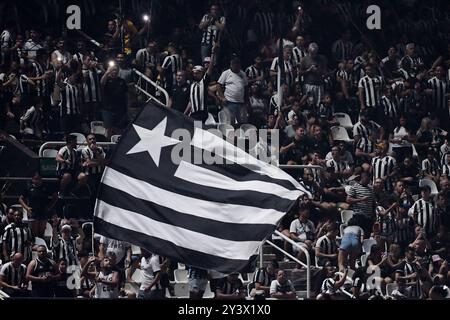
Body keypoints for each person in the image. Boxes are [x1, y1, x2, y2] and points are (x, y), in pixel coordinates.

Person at [19, 172, 54, 238]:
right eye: (36, 179)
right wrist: (27, 208)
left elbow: (55, 196)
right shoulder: (29, 188)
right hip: (33, 212)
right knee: (33, 234)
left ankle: (42, 246)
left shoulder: (45, 188)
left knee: (41, 234)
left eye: (39, 179)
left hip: (43, 211)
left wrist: (49, 206)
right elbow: (20, 199)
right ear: (32, 179)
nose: (37, 180)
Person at [217, 57, 249, 125]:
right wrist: (222, 97)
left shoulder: (243, 74)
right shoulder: (226, 73)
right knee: (230, 122)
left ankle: (240, 135)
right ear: (231, 65)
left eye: (237, 64)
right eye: (234, 64)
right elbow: (219, 85)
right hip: (229, 102)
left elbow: (246, 87)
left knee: (242, 122)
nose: (236, 65)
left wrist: (246, 100)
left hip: (241, 102)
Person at [100, 63, 128, 137]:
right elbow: (102, 83)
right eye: (113, 70)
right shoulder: (106, 79)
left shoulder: (122, 81)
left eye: (116, 70)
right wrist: (107, 72)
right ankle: (108, 145)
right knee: (108, 129)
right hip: (108, 109)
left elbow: (126, 95)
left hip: (119, 110)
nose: (114, 71)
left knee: (119, 129)